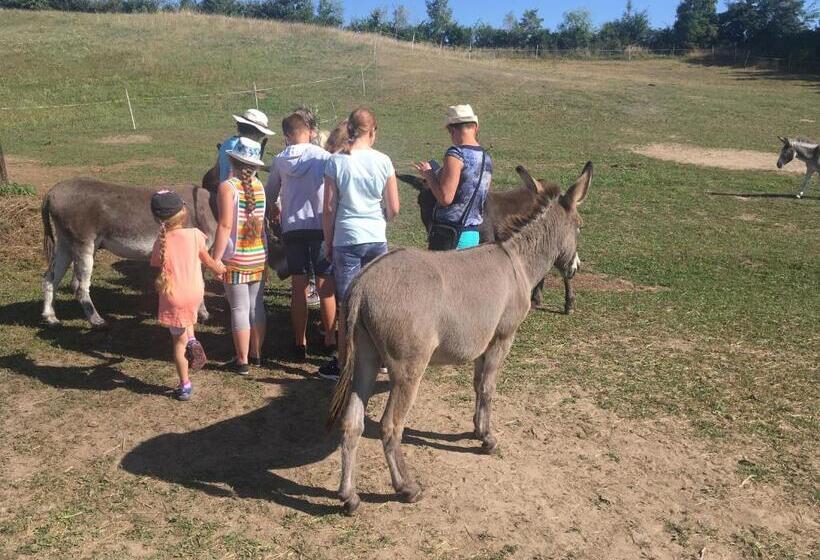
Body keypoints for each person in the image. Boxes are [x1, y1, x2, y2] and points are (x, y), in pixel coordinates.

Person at [319, 107, 400, 380]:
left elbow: (329, 208)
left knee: (348, 304)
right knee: (379, 302)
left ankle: (345, 363)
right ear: (373, 131)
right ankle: (383, 359)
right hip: (375, 236)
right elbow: (395, 206)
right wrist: (380, 220)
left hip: (346, 237)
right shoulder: (384, 161)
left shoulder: (336, 162)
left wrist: (328, 242)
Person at [267, 112, 336, 360]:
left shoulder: (279, 160)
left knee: (299, 286)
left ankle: (300, 342)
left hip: (293, 228)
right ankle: (330, 337)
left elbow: (270, 192)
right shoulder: (323, 157)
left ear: (287, 136)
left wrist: (275, 210)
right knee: (325, 284)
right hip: (319, 225)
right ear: (308, 131)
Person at [150, 190, 226, 401]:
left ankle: (184, 384)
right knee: (187, 317)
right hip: (195, 292)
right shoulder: (194, 234)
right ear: (183, 211)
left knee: (178, 343)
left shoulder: (161, 240)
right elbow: (207, 259)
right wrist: (218, 269)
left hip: (174, 296)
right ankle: (192, 338)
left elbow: (155, 262)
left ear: (157, 218)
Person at [211, 137, 268, 375]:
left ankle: (242, 360)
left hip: (236, 258)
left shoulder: (227, 187)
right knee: (256, 306)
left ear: (231, 159)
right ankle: (256, 354)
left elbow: (224, 226)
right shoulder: (259, 186)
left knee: (239, 309)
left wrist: (215, 258)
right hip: (258, 255)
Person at [413, 104, 492, 250]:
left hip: (451, 235)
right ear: (475, 127)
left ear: (453, 129)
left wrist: (429, 176)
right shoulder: (486, 157)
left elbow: (445, 198)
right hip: (473, 234)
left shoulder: (456, 154)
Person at [217, 109, 275, 183]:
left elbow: (218, 168)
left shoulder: (227, 143)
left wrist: (265, 168)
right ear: (255, 132)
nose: (261, 137)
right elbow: (235, 172)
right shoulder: (240, 147)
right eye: (262, 134)